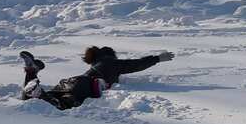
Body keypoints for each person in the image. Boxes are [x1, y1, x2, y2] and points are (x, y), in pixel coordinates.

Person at [19, 47, 175, 110]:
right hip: (84, 85)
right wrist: (157, 59)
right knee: (63, 105)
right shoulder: (111, 63)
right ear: (111, 55)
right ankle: (37, 87)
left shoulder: (95, 66)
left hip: (70, 82)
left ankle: (31, 72)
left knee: (33, 102)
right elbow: (136, 64)